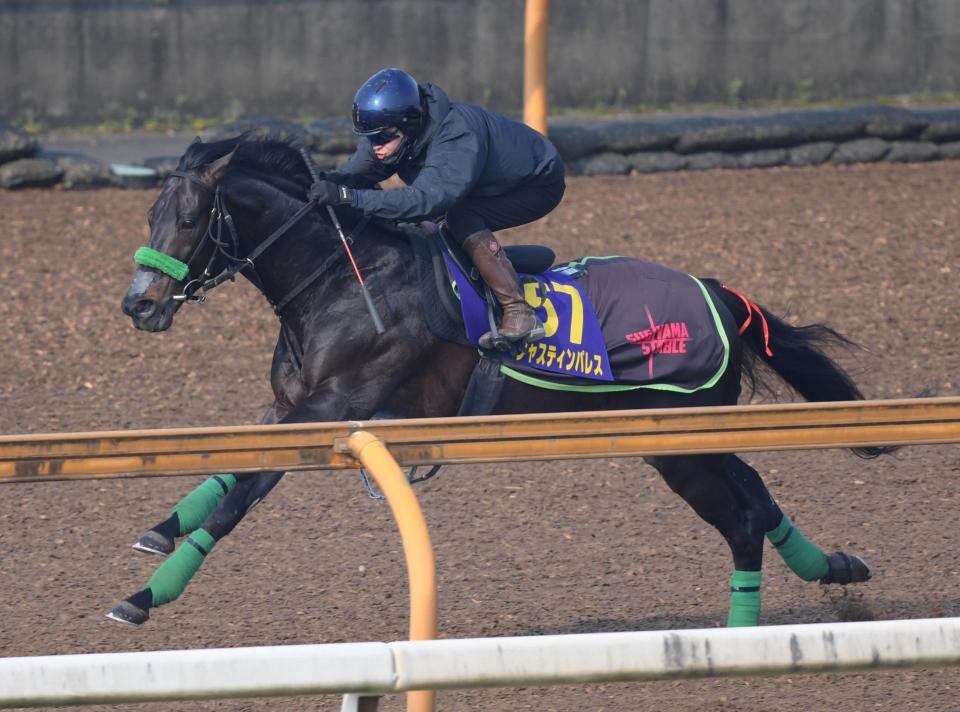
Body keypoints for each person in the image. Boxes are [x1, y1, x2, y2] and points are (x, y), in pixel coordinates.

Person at [308, 67, 565, 348]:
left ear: (409, 124)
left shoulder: (456, 134)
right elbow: (349, 177)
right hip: (480, 179)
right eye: (370, 138)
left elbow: (427, 199)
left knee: (459, 216)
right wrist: (314, 183)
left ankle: (519, 312)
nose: (375, 147)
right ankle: (480, 266)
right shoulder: (399, 131)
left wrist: (351, 197)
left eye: (382, 138)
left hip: (536, 183)